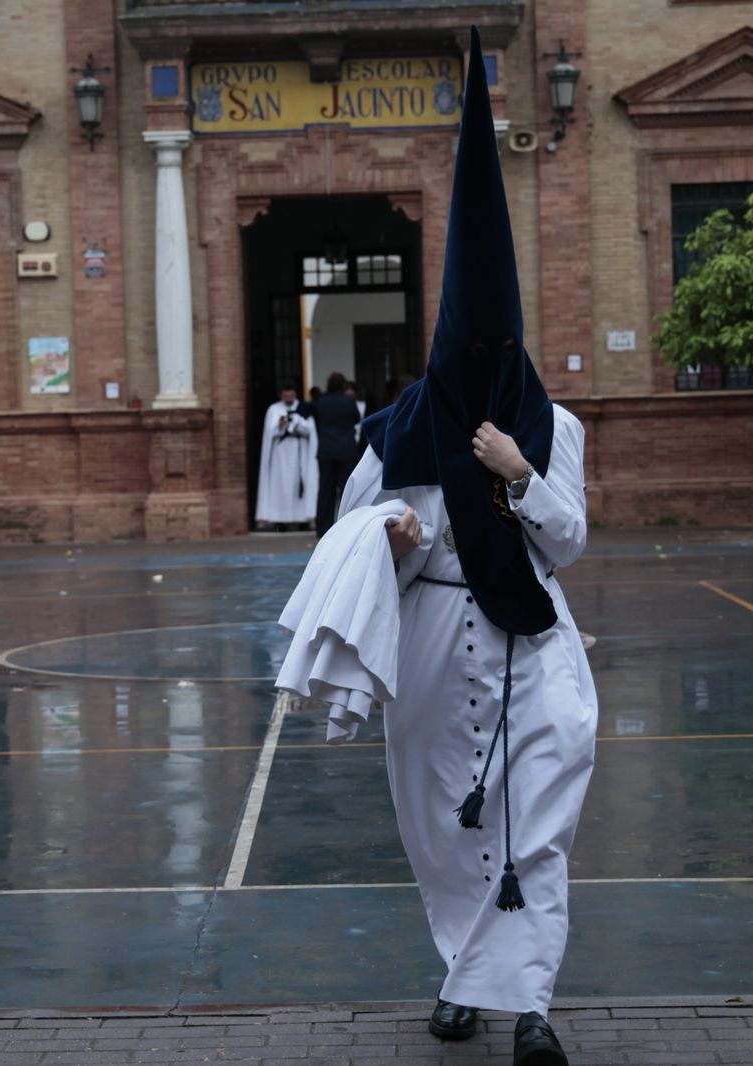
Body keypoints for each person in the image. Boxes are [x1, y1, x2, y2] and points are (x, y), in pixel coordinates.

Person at [285, 30, 595, 1066]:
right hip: (428, 637)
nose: (479, 368)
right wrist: (395, 532)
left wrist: (516, 471)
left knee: (535, 823)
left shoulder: (555, 430)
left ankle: (535, 1007)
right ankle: (466, 978)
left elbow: (571, 539)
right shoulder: (397, 429)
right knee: (443, 831)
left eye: (494, 354)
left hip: (533, 641)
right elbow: (351, 530)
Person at [255, 382, 318, 530]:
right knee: (280, 484)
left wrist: (297, 423)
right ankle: (280, 519)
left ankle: (302, 519)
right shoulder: (274, 409)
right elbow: (269, 432)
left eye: (291, 395)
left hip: (299, 451)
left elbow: (310, 431)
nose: (289, 398)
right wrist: (280, 425)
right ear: (281, 395)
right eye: (286, 395)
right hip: (280, 454)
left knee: (298, 483)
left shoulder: (304, 408)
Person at [312, 372, 362, 536]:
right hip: (346, 450)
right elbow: (356, 418)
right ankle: (348, 525)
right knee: (347, 489)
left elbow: (317, 419)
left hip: (326, 451)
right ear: (343, 386)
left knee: (326, 490)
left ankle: (322, 528)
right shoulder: (348, 400)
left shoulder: (321, 401)